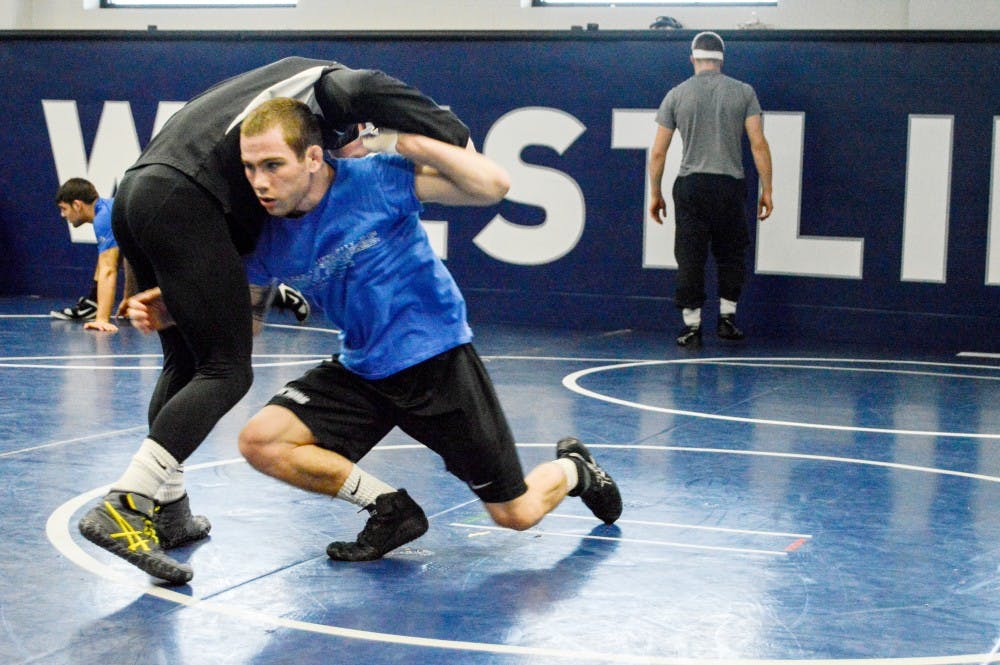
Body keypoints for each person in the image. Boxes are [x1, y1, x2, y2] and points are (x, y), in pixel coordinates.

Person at [78, 57, 475, 585]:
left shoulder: (269, 91)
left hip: (139, 192)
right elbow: (365, 88)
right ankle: (125, 504)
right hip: (182, 199)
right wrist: (450, 135)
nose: (344, 154)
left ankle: (170, 510)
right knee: (226, 369)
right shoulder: (329, 86)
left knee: (187, 361)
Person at [229, 97, 622, 562]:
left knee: (516, 514)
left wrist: (400, 141)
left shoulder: (373, 179)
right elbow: (244, 324)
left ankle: (575, 469)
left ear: (313, 157)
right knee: (261, 441)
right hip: (362, 367)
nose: (259, 182)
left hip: (436, 361)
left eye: (273, 165)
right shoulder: (264, 237)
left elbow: (493, 185)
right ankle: (388, 509)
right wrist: (178, 306)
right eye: (250, 167)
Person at [648, 31, 773, 348]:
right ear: (721, 60)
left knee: (690, 256)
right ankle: (727, 319)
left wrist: (655, 192)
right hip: (729, 184)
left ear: (692, 59)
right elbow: (758, 144)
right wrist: (767, 189)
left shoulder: (676, 95)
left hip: (692, 185)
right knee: (731, 253)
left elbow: (659, 152)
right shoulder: (743, 93)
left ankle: (691, 327)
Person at [52, 178, 132, 330]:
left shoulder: (103, 218)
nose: (63, 215)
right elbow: (127, 257)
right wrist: (129, 297)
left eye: (64, 209)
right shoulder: (109, 211)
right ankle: (93, 301)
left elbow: (109, 269)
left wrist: (101, 320)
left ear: (77, 205)